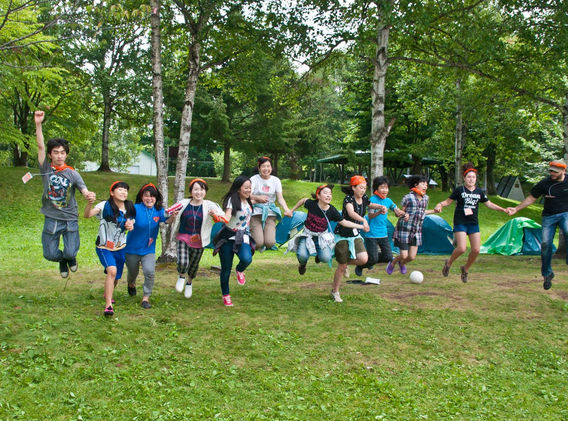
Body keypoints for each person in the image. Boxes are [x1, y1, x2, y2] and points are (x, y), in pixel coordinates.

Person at [34, 110, 96, 278]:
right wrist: (38, 124)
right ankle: (62, 261)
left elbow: (83, 189)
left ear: (66, 154)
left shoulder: (72, 173)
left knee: (71, 252)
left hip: (70, 218)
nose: (59, 156)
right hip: (52, 217)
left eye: (62, 152)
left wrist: (88, 195)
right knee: (49, 254)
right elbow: (40, 146)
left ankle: (69, 258)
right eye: (56, 152)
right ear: (50, 155)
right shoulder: (45, 169)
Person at [435, 163, 508, 283]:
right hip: (460, 222)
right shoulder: (459, 190)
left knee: (476, 250)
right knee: (462, 248)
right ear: (464, 178)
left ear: (476, 179)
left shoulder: (479, 192)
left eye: (473, 177)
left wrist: (503, 209)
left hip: (473, 223)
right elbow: (448, 202)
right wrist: (440, 204)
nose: (471, 179)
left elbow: (489, 204)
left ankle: (465, 269)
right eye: (469, 177)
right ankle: (448, 263)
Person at [507, 160, 568, 290]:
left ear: (563, 171)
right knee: (545, 244)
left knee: (567, 230)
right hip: (549, 217)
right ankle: (547, 274)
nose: (551, 173)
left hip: (565, 214)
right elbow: (531, 198)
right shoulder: (544, 183)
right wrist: (516, 209)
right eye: (550, 170)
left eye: (555, 172)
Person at [287, 184, 368, 275]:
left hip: (321, 237)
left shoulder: (332, 210)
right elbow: (303, 200)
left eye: (330, 194)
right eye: (325, 193)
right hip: (307, 235)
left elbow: (344, 222)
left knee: (325, 258)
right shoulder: (312, 204)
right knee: (302, 256)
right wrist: (291, 210)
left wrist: (361, 226)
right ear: (318, 195)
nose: (328, 195)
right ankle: (302, 264)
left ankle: (319, 255)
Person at [84, 181, 135, 316]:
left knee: (116, 276)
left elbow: (131, 222)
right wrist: (89, 203)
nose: (123, 192)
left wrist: (130, 225)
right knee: (111, 271)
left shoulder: (129, 207)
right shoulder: (104, 205)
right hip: (104, 246)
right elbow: (87, 215)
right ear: (112, 192)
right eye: (120, 189)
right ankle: (108, 306)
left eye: (126, 190)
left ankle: (108, 292)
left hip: (120, 247)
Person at [171, 178, 227, 300]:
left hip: (199, 241)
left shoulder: (210, 205)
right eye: (196, 189)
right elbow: (169, 211)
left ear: (205, 192)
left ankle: (189, 283)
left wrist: (215, 215)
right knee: (183, 261)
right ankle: (181, 276)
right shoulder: (184, 203)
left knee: (193, 265)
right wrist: (171, 213)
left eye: (202, 189)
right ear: (191, 191)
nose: (199, 192)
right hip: (183, 237)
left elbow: (223, 217)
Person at [331, 175, 383, 303]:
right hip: (342, 234)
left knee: (363, 259)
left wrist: (380, 207)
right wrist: (363, 220)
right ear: (353, 188)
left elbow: (371, 204)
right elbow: (351, 213)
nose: (363, 190)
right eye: (360, 187)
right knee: (341, 267)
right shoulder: (348, 199)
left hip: (355, 235)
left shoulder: (364, 198)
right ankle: (335, 291)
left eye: (365, 188)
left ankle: (345, 263)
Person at [124, 183, 177, 309]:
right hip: (132, 249)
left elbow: (167, 221)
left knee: (149, 272)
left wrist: (173, 217)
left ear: (156, 198)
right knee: (133, 272)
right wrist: (129, 223)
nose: (149, 198)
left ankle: (146, 298)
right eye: (146, 196)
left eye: (152, 196)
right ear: (142, 197)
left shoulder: (158, 210)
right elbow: (128, 219)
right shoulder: (135, 208)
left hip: (148, 249)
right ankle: (131, 284)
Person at [213, 176, 254, 307]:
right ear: (238, 189)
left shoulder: (249, 200)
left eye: (250, 187)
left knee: (247, 259)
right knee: (225, 268)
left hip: (242, 236)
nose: (248, 190)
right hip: (227, 237)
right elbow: (227, 216)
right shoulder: (232, 200)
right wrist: (218, 217)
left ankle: (239, 270)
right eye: (246, 188)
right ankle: (226, 295)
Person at [355, 176, 407, 277]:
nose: (385, 190)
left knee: (388, 256)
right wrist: (379, 211)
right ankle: (361, 266)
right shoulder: (372, 200)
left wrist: (402, 214)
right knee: (373, 258)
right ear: (376, 188)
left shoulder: (389, 201)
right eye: (382, 187)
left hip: (383, 234)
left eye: (386, 188)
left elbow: (396, 211)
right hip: (372, 234)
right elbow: (370, 215)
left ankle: (369, 261)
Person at [387, 175, 439, 276]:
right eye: (423, 184)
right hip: (404, 230)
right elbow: (399, 212)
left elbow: (422, 212)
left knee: (411, 257)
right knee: (404, 254)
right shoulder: (408, 197)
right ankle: (393, 262)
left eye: (426, 184)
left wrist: (434, 211)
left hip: (416, 231)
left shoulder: (426, 198)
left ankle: (401, 263)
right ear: (416, 184)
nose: (425, 186)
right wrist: (403, 215)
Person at [249, 156, 293, 251]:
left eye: (268, 166)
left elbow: (280, 198)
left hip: (270, 213)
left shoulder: (276, 180)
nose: (266, 169)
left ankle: (265, 237)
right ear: (259, 168)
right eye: (263, 166)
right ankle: (249, 237)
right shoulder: (254, 179)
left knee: (270, 243)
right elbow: (247, 194)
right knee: (258, 243)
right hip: (256, 213)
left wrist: (286, 209)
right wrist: (258, 198)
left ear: (271, 168)